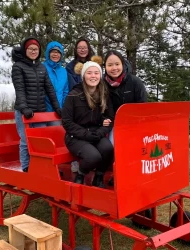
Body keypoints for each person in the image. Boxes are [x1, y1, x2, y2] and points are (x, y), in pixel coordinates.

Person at [62, 56, 114, 188]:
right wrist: (86, 134)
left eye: (96, 73)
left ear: (100, 76)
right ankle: (80, 174)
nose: (93, 76)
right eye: (89, 73)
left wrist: (101, 131)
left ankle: (99, 176)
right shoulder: (73, 95)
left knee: (108, 149)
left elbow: (109, 118)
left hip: (96, 134)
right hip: (76, 137)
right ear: (84, 75)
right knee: (93, 156)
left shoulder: (103, 94)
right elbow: (67, 122)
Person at [12, 37, 62, 173]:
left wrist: (57, 107)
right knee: (25, 139)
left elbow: (49, 88)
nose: (33, 51)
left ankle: (40, 166)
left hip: (40, 112)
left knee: (41, 140)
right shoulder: (18, 67)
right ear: (25, 50)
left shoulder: (41, 67)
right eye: (30, 49)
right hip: (24, 111)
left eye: (36, 49)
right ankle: (26, 167)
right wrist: (24, 107)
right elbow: (20, 89)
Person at [103, 50, 148, 185]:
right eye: (110, 65)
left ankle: (135, 177)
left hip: (134, 125)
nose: (114, 68)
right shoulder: (103, 85)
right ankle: (117, 175)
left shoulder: (135, 82)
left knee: (134, 148)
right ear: (105, 67)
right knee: (112, 146)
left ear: (122, 64)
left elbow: (142, 107)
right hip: (114, 125)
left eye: (117, 64)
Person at [43, 41, 73, 126]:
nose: (55, 54)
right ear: (48, 53)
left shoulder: (63, 71)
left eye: (58, 52)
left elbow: (65, 91)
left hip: (58, 111)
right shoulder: (42, 67)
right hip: (43, 110)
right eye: (53, 52)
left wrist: (63, 107)